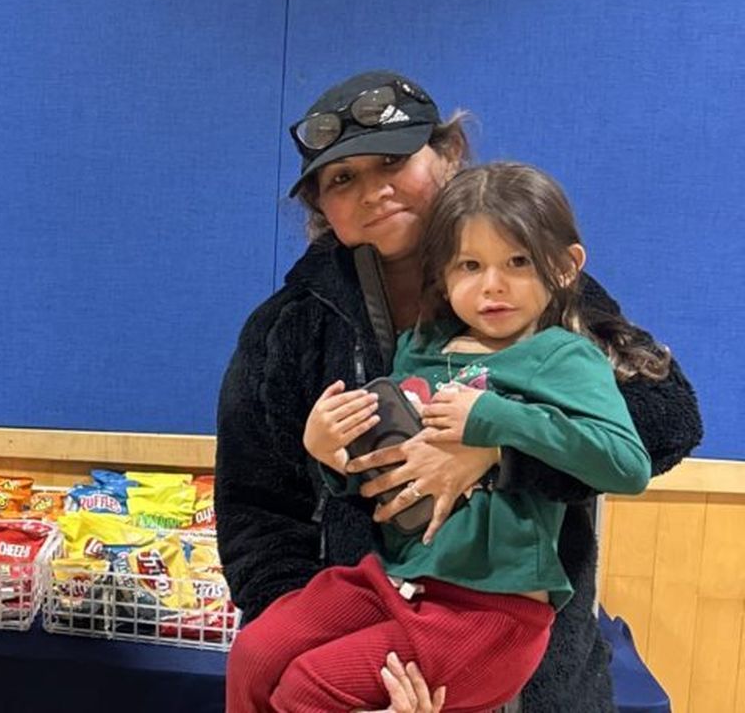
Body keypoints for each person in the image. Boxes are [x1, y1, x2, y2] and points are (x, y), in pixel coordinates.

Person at [214, 71, 702, 711]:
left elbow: (663, 420)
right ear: (320, 209)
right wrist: (311, 639)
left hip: (518, 647)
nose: (374, 190)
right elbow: (255, 510)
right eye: (341, 179)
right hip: (373, 609)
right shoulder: (288, 328)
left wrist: (499, 452)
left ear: (447, 155)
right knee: (268, 665)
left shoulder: (537, 289)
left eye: (393, 160)